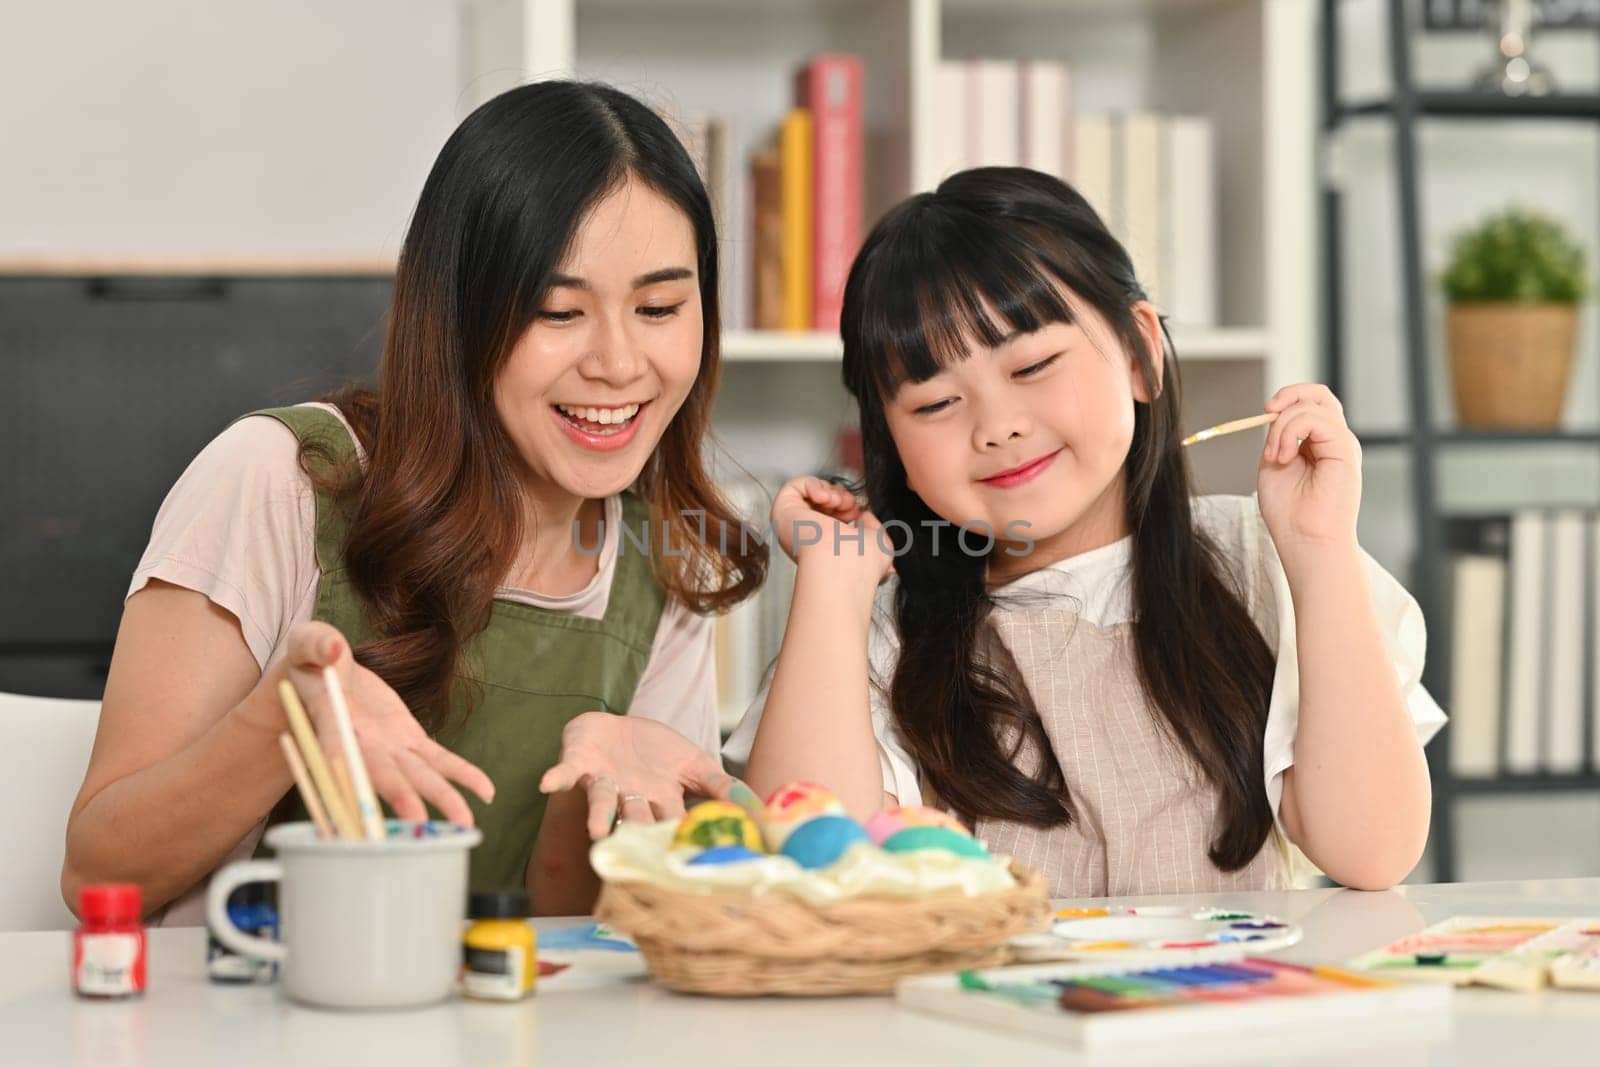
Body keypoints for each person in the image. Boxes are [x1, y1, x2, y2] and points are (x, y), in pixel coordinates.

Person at [61, 80, 762, 922]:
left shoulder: (664, 561)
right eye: (556, 310)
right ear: (458, 314)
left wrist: (591, 795)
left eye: (659, 307)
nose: (618, 362)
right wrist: (285, 722)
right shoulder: (280, 478)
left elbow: (566, 937)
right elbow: (99, 875)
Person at [723, 167, 1445, 895]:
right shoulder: (880, 636)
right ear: (891, 447)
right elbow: (807, 873)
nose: (998, 425)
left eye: (1033, 365)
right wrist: (831, 581)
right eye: (937, 402)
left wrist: (1319, 552)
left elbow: (1372, 850)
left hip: (1230, 1003)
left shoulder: (1263, 564)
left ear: (1139, 351)